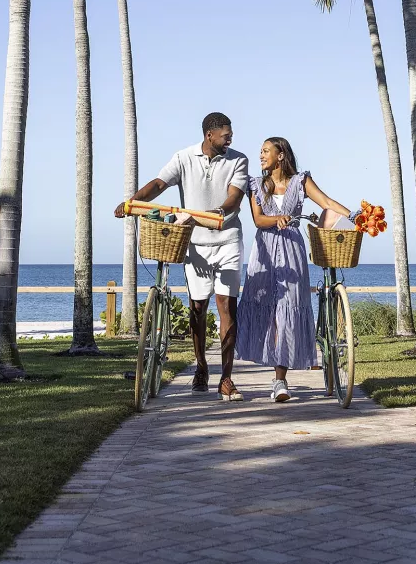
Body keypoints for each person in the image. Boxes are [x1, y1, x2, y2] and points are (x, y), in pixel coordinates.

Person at [115, 112, 248, 400]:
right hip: (195, 243)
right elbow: (159, 184)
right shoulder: (183, 157)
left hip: (228, 240)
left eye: (231, 135)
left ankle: (226, 378)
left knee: (226, 306)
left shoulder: (238, 159)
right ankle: (201, 366)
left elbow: (234, 198)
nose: (230, 139)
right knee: (197, 309)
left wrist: (217, 214)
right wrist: (132, 202)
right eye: (226, 135)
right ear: (209, 135)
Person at [236, 136, 354, 402]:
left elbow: (326, 202)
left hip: (292, 251)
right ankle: (274, 372)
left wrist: (355, 216)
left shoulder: (300, 181)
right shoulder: (255, 184)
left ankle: (280, 380)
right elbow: (257, 220)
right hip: (265, 253)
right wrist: (276, 218)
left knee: (288, 309)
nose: (261, 156)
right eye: (260, 152)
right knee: (268, 310)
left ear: (280, 155)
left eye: (266, 151)